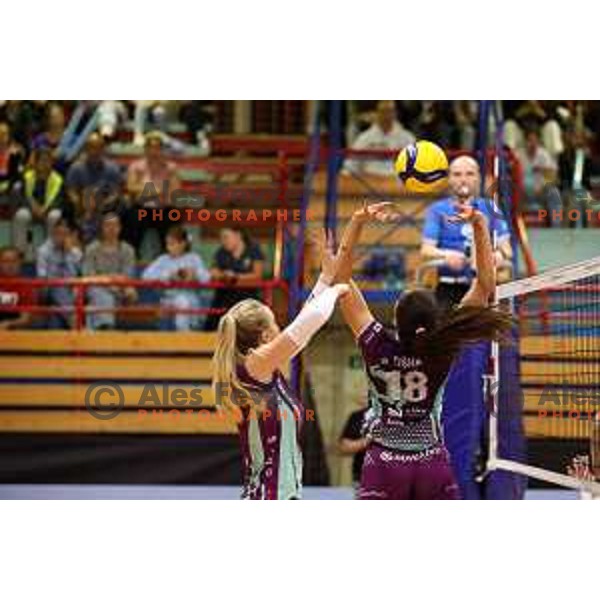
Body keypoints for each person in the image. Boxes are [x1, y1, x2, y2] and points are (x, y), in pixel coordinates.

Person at [333, 201, 513, 499]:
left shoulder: (375, 342)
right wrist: (480, 226)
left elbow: (340, 280)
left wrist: (356, 222)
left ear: (395, 318)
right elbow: (484, 285)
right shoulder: (443, 346)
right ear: (434, 321)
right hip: (431, 461)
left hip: (384, 462)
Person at [211, 231, 349, 499]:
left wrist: (325, 279)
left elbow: (303, 330)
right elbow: (307, 323)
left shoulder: (263, 369)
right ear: (264, 335)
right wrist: (336, 290)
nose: (281, 327)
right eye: (275, 322)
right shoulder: (254, 365)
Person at [420, 155, 513, 310]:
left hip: (484, 284)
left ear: (478, 178)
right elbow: (426, 250)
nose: (463, 179)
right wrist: (446, 255)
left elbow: (507, 249)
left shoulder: (491, 207)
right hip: (449, 286)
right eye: (457, 174)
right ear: (449, 179)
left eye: (469, 174)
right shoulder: (437, 210)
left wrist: (499, 255)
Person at [142, 226, 210, 331]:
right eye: (167, 244)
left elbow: (206, 278)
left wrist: (194, 275)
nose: (169, 247)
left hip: (190, 298)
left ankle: (185, 336)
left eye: (172, 244)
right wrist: (169, 275)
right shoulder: (163, 259)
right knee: (177, 303)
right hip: (168, 299)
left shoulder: (194, 258)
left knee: (184, 302)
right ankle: (181, 336)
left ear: (183, 244)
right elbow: (145, 276)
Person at [124, 131, 182, 252]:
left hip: (163, 209)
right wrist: (158, 191)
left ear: (162, 149)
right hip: (142, 208)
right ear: (145, 149)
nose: (154, 151)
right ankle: (132, 256)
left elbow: (174, 191)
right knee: (131, 217)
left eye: (157, 148)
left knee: (174, 216)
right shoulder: (136, 166)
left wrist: (145, 191)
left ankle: (169, 258)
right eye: (151, 147)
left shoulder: (171, 167)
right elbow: (131, 187)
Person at [13, 146, 71, 256]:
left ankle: (52, 252)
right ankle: (20, 253)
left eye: (48, 160)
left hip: (49, 211)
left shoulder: (57, 179)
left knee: (55, 215)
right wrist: (32, 208)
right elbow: (22, 197)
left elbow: (59, 200)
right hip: (31, 211)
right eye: (42, 160)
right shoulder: (27, 177)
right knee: (21, 215)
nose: (45, 163)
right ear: (36, 162)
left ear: (52, 163)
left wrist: (45, 210)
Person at [65, 132, 123, 242]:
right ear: (86, 149)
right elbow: (71, 191)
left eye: (98, 148)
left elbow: (116, 193)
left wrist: (102, 204)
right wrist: (79, 202)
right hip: (81, 208)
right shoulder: (76, 168)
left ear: (103, 149)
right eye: (91, 148)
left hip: (105, 208)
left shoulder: (112, 169)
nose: (95, 152)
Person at [83, 213, 136, 330]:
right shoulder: (91, 249)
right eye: (108, 225)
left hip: (120, 294)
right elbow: (88, 277)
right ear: (102, 228)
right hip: (97, 291)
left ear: (120, 228)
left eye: (115, 225)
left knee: (91, 308)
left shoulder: (128, 250)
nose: (111, 229)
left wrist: (103, 279)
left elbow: (126, 278)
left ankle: (96, 338)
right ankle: (107, 331)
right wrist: (112, 280)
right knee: (99, 293)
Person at [205, 227, 265, 330]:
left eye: (226, 237)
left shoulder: (254, 250)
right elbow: (213, 272)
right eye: (221, 238)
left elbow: (257, 275)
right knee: (214, 322)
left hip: (248, 295)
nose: (223, 241)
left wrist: (236, 277)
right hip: (224, 296)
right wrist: (224, 275)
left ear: (238, 235)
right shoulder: (221, 252)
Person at [344, 100, 415, 177]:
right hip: (369, 183)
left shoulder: (408, 139)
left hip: (397, 185)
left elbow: (417, 168)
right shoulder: (364, 139)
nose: (387, 115)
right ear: (377, 113)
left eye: (390, 111)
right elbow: (349, 167)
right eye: (383, 111)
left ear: (395, 113)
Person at [36, 219, 82, 329]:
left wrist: (68, 253)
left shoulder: (75, 252)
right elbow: (42, 278)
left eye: (65, 234)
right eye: (58, 233)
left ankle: (62, 313)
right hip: (48, 290)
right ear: (52, 234)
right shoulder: (43, 251)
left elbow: (81, 274)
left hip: (70, 292)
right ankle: (74, 321)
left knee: (55, 321)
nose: (61, 237)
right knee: (57, 286)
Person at [516, 129, 560, 226]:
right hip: (522, 192)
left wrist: (543, 173)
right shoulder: (518, 155)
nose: (532, 144)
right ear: (525, 142)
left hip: (541, 191)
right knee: (509, 192)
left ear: (538, 142)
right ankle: (513, 227)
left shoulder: (544, 155)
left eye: (534, 141)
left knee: (554, 193)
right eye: (529, 141)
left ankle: (556, 227)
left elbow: (553, 176)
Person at [0, 246, 34, 330]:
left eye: (14, 261)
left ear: (20, 263)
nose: (10, 265)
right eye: (5, 261)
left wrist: (9, 324)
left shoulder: (26, 285)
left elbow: (26, 319)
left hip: (15, 330)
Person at [338, 404, 370, 491]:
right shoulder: (358, 417)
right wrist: (368, 441)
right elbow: (344, 447)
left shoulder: (397, 416)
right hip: (362, 478)